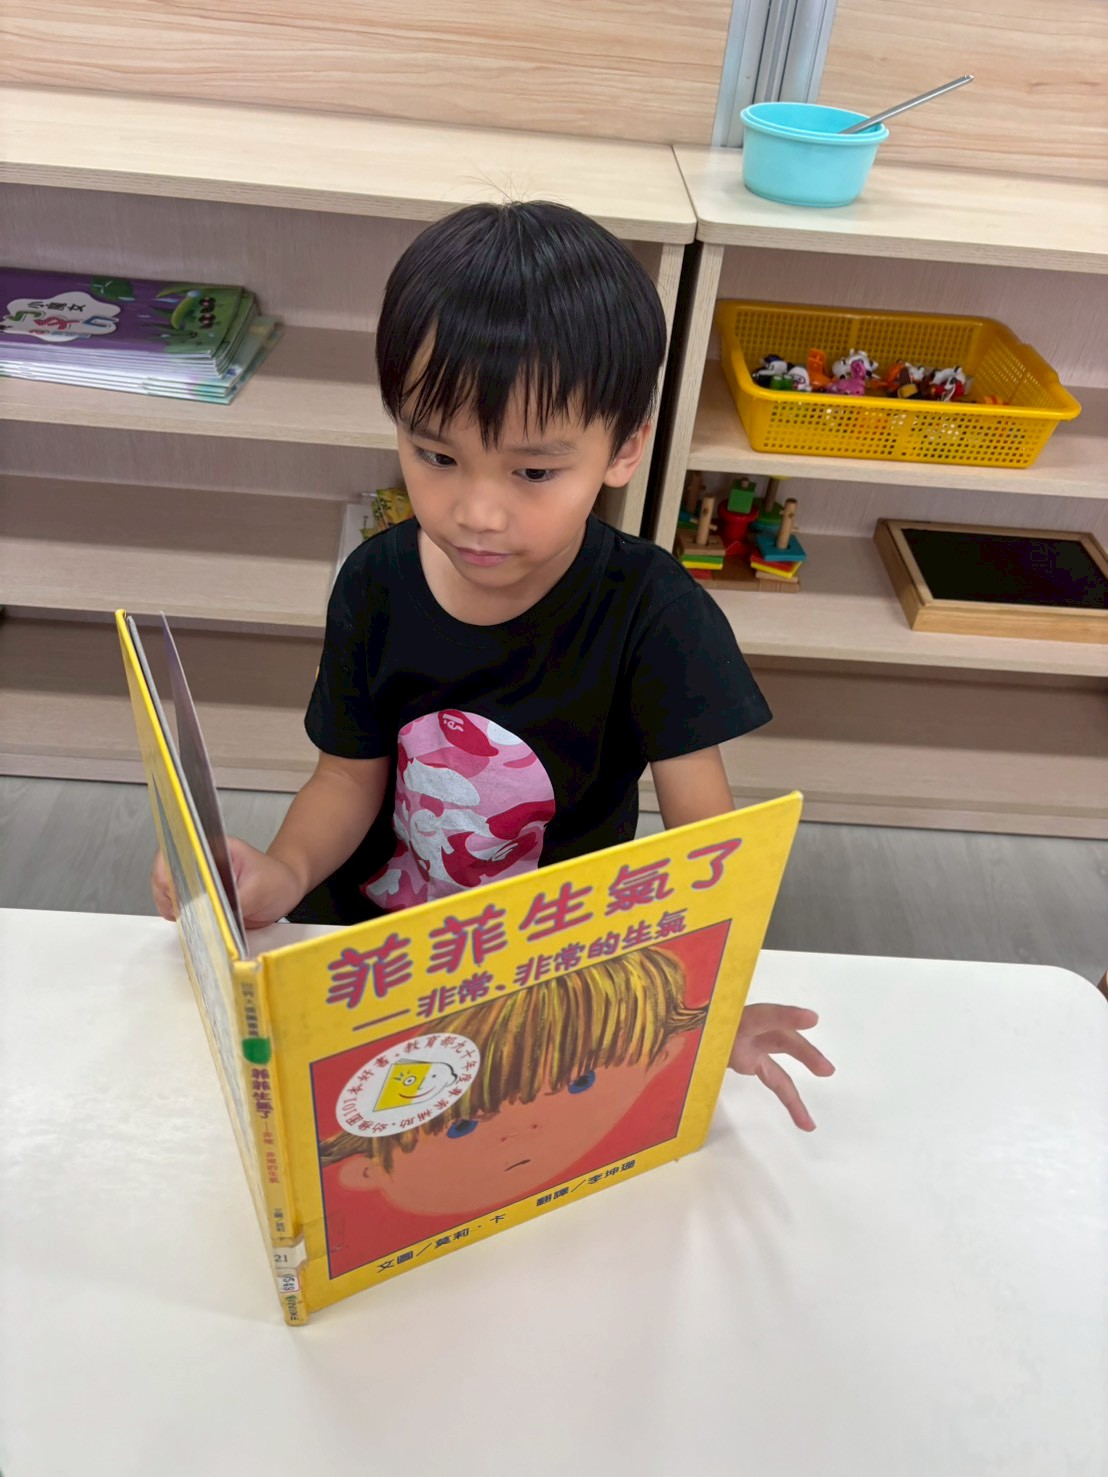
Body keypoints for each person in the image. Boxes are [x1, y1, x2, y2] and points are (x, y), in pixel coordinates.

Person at [152, 200, 834, 1128]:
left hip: (551, 974)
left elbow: (703, 848)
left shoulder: (653, 612)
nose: (476, 511)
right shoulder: (376, 585)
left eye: (533, 472)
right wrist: (281, 870)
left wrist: (713, 1003)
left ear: (625, 447)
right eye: (435, 455)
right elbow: (346, 778)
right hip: (378, 958)